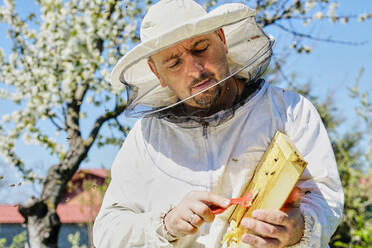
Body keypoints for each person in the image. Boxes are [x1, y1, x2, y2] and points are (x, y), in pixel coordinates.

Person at [93, 0, 344, 247]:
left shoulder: (289, 111)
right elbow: (108, 230)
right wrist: (167, 224)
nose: (195, 69)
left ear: (222, 40)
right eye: (174, 62)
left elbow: (325, 198)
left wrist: (299, 229)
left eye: (201, 48)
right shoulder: (146, 138)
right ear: (157, 73)